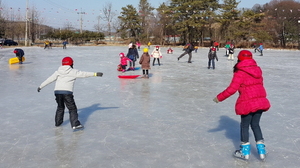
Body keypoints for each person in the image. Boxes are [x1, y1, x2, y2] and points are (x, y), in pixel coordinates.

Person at [213, 50, 271, 160]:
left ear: (239, 59)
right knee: (255, 125)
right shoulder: (258, 70)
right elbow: (260, 85)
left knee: (244, 126)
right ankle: (262, 151)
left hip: (247, 103)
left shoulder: (240, 72)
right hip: (260, 101)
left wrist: (219, 98)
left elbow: (232, 89)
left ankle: (245, 152)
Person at [37, 57, 103, 130]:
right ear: (71, 64)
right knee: (72, 109)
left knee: (60, 107)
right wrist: (95, 74)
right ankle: (75, 124)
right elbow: (84, 74)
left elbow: (49, 79)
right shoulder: (73, 72)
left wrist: (40, 86)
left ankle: (58, 123)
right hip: (67, 93)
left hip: (57, 92)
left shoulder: (58, 72)